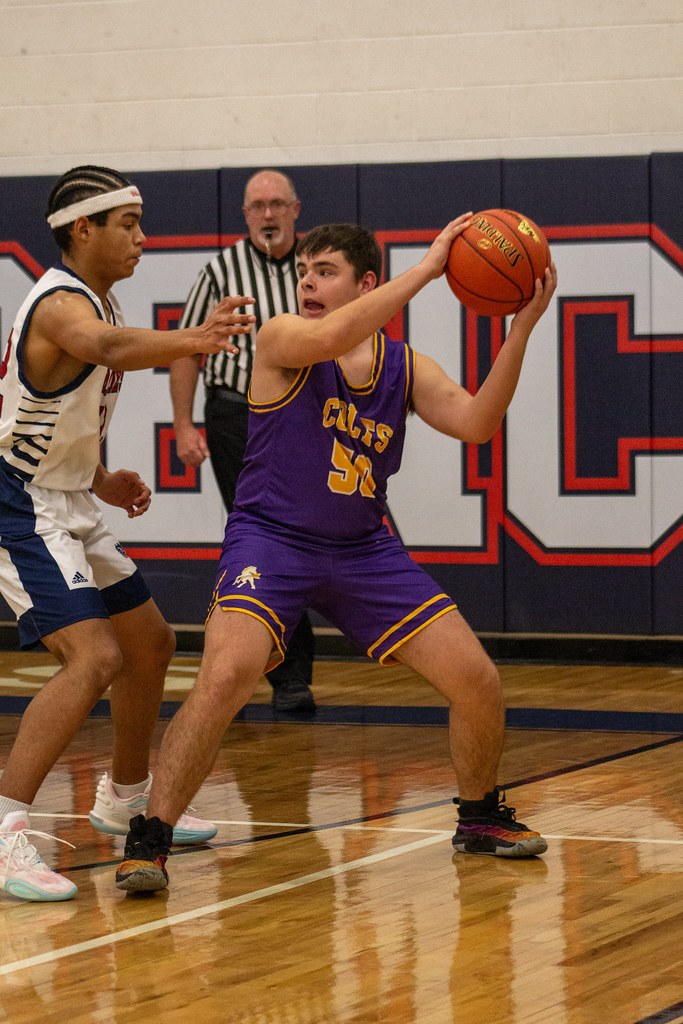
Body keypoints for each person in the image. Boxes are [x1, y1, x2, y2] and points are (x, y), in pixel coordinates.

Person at [114, 217, 558, 893]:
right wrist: (432, 268)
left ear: (365, 283)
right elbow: (328, 336)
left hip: (361, 548)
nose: (307, 282)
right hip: (271, 538)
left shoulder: (405, 367)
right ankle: (151, 835)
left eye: (324, 272)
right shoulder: (283, 336)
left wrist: (519, 329)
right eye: (303, 272)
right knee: (228, 673)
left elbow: (476, 424)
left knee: (478, 680)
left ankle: (478, 817)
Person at [0, 165, 256, 902]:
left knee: (149, 643)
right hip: (20, 502)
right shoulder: (60, 303)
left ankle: (125, 795)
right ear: (84, 229)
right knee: (93, 658)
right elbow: (106, 349)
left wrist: (100, 476)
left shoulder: (95, 298)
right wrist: (194, 339)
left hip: (65, 493)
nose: (142, 239)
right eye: (128, 225)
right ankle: (9, 824)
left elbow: (48, 410)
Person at [171, 169, 316, 716]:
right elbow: (189, 350)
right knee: (259, 537)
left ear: (295, 210)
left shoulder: (316, 268)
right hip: (238, 418)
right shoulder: (221, 270)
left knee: (303, 534)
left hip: (303, 416)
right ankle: (281, 674)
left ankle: (277, 666)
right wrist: (185, 426)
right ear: (245, 214)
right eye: (258, 205)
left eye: (278, 203)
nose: (269, 214)